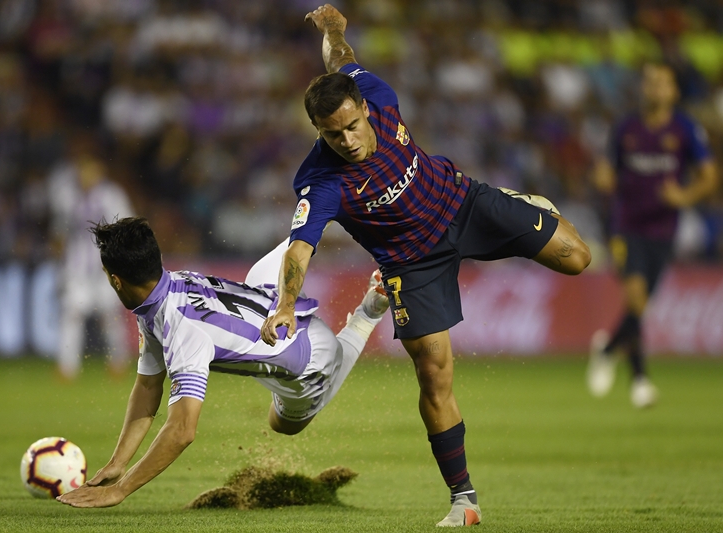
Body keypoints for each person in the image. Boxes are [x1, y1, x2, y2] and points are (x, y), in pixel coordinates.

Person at [259, 5, 592, 527]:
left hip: (462, 203)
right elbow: (300, 249)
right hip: (411, 263)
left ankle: (520, 202)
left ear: (364, 107)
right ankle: (464, 501)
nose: (347, 142)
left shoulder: (379, 94)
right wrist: (284, 304)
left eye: (351, 126)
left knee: (578, 259)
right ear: (318, 130)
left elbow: (341, 58)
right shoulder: (320, 183)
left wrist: (332, 28)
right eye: (332, 135)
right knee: (434, 374)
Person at [57, 216, 389, 508]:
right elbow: (147, 385)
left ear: (116, 281)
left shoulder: (182, 331)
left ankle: (368, 313)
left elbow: (182, 431)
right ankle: (329, 211)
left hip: (309, 355)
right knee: (297, 239)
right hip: (271, 293)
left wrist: (121, 490)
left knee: (283, 424)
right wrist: (118, 462)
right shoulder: (165, 288)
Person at [587, 63, 718, 408]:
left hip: (663, 230)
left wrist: (685, 197)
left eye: (662, 83)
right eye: (650, 82)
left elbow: (709, 175)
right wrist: (603, 177)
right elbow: (606, 169)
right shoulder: (626, 127)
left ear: (674, 91)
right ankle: (640, 381)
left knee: (641, 305)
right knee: (635, 298)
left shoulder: (685, 129)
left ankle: (608, 349)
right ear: (642, 89)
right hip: (626, 226)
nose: (655, 88)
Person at [50, 153, 134, 379]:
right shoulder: (67, 196)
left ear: (99, 173)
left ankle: (118, 362)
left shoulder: (111, 196)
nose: (86, 177)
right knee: (72, 313)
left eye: (90, 172)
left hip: (105, 267)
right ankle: (67, 367)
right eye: (83, 172)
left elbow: (126, 228)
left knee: (110, 315)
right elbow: (59, 231)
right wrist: (59, 259)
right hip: (76, 267)